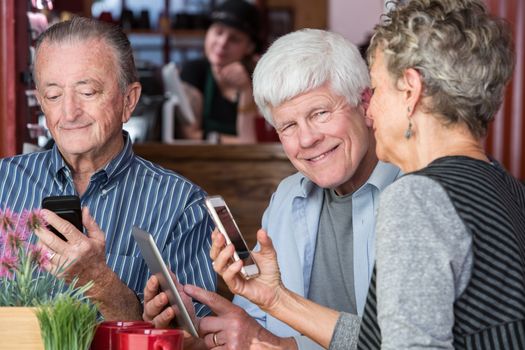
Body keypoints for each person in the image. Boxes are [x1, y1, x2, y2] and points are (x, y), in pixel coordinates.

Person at [214, 1, 525, 349]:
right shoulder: (507, 186)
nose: (372, 109)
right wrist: (276, 300)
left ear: (410, 90)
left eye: (376, 89)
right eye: (288, 125)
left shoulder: (417, 197)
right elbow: (381, 341)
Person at [143, 29, 400, 349]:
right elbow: (259, 325)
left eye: (320, 113)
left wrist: (276, 336)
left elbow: (403, 342)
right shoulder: (288, 197)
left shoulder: (415, 195)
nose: (306, 140)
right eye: (288, 126)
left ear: (365, 104)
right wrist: (199, 336)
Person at [0, 16, 216, 320]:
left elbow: (196, 340)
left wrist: (100, 281)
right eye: (53, 95)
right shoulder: (4, 181)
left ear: (129, 100)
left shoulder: (183, 206)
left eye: (88, 92)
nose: (69, 112)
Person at [178, 0, 261, 143]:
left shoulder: (260, 79)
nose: (222, 43)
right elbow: (191, 135)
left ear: (249, 47)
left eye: (234, 39)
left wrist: (245, 90)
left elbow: (252, 139)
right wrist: (238, 142)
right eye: (218, 32)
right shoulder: (194, 71)